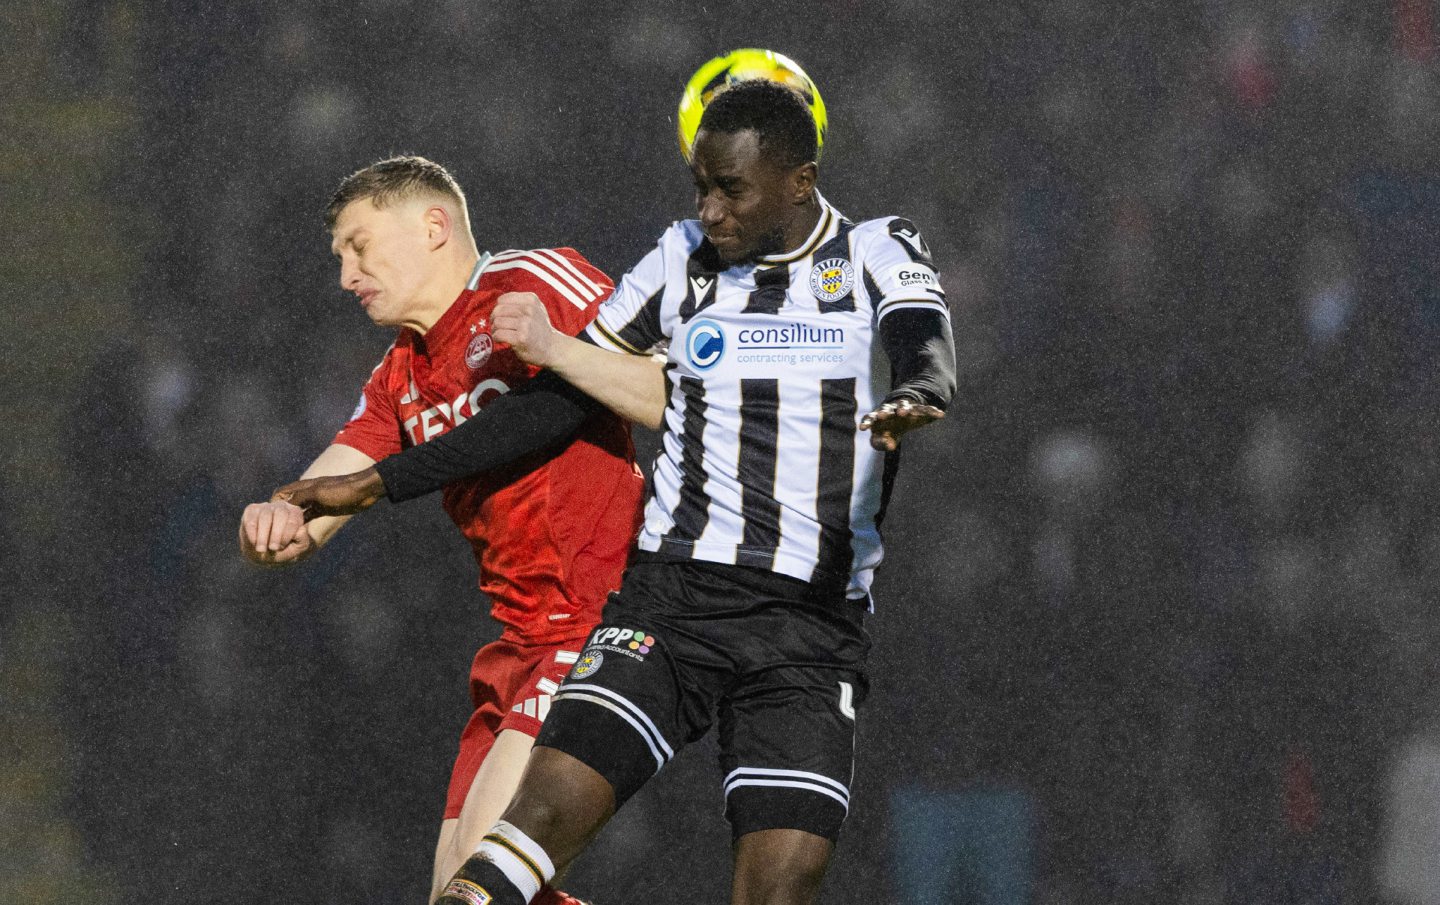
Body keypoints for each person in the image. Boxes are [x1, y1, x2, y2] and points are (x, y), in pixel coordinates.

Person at [281, 81, 956, 904]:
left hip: (810, 628)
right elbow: (564, 398)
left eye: (730, 189)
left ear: (800, 182)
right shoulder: (680, 257)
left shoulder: (878, 246)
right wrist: (383, 477)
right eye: (700, 187)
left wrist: (922, 388)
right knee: (496, 866)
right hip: (671, 601)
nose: (708, 209)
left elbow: (922, 336)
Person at [237, 155, 643, 905]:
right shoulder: (400, 376)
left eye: (358, 246)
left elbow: (652, 377)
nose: (345, 275)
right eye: (338, 259)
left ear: (433, 227)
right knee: (455, 887)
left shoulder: (531, 280)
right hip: (517, 643)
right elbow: (315, 505)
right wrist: (269, 520)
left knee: (485, 880)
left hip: (601, 616)